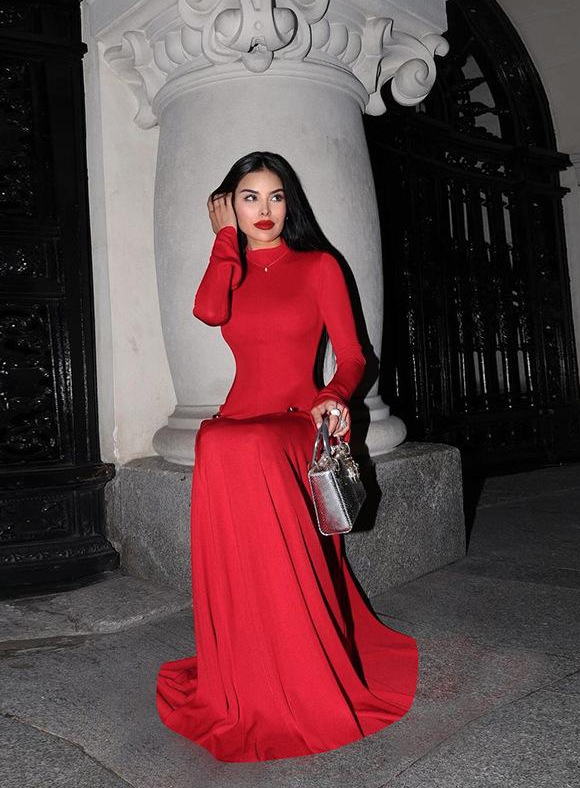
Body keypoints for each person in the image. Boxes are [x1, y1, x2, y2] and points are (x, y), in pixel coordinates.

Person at [155, 152, 418, 762]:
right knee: (220, 439)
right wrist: (224, 240)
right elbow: (209, 311)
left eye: (276, 197)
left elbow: (354, 356)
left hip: (299, 418)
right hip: (241, 421)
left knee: (235, 443)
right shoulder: (229, 267)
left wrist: (334, 395)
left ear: (290, 203)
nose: (265, 210)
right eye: (250, 197)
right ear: (229, 206)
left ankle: (301, 659)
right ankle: (245, 659)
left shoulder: (319, 265)